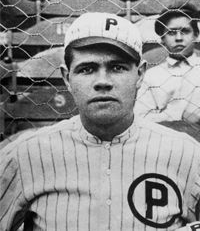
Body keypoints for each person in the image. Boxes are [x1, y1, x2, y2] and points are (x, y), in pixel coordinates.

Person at [1, 12, 200, 231]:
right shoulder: (25, 156)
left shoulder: (187, 155)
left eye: (117, 68)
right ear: (67, 78)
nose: (103, 82)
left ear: (140, 74)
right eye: (87, 69)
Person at [134, 3, 200, 124]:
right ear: (162, 39)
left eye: (185, 31)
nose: (178, 38)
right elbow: (140, 118)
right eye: (171, 32)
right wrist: (178, 114)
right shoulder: (151, 77)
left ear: (196, 35)